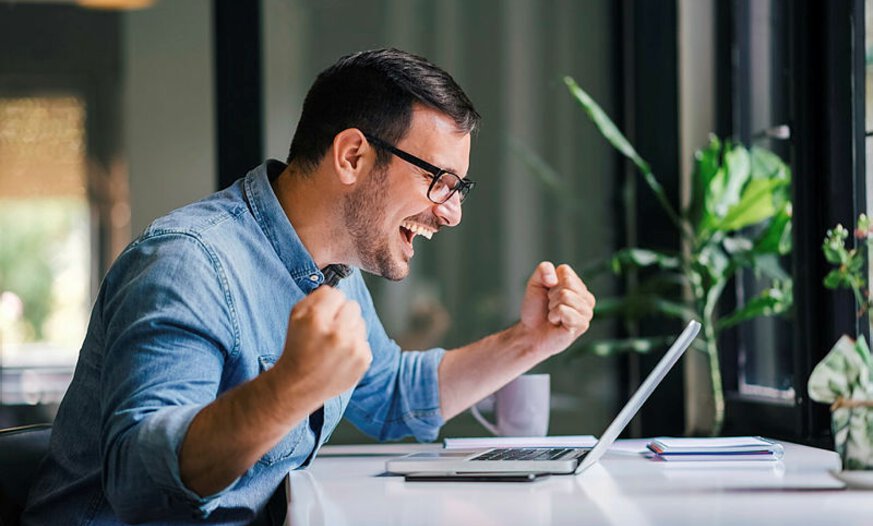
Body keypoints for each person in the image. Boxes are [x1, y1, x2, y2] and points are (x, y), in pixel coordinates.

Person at [23, 48, 595, 524]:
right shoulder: (186, 263)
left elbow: (394, 395)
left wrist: (531, 341)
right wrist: (289, 387)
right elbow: (139, 484)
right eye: (439, 181)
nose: (452, 214)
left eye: (458, 187)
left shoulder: (333, 273)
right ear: (352, 156)